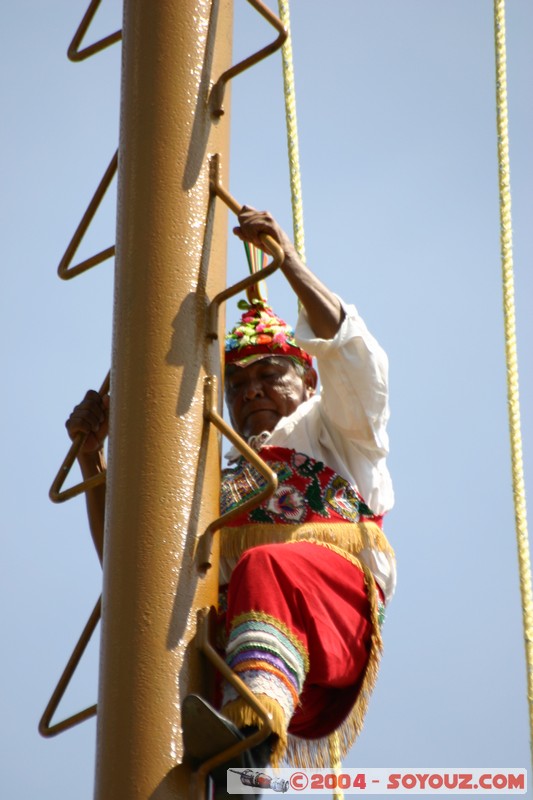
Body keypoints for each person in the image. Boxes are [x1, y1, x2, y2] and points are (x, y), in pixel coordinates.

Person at [65, 206, 395, 772]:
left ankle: (253, 726)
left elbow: (351, 354)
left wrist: (287, 262)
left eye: (270, 373)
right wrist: (92, 458)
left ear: (306, 378)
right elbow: (128, 570)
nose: (252, 391)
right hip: (256, 660)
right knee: (187, 677)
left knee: (262, 566)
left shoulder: (333, 426)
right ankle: (239, 761)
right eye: (238, 382)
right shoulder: (213, 479)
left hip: (332, 625)